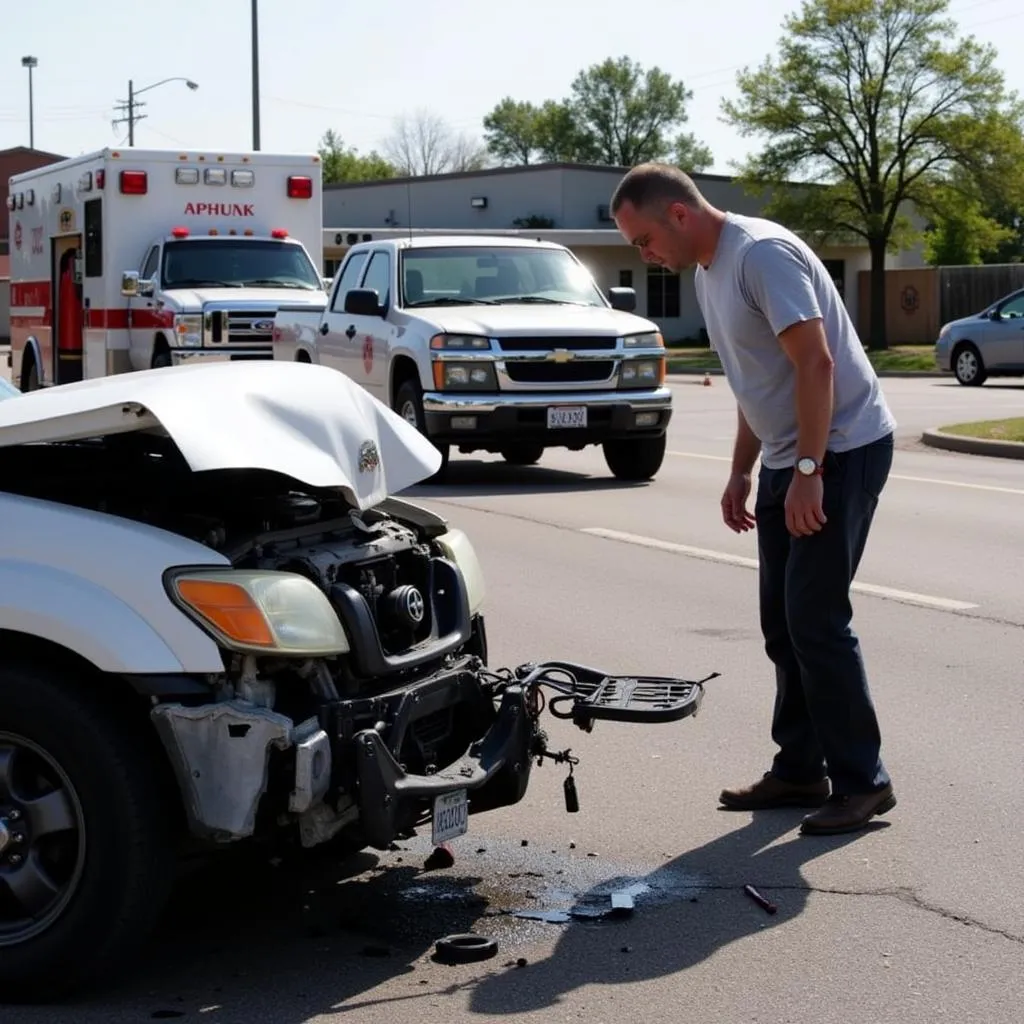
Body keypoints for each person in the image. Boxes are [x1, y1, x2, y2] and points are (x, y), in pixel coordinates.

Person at [609, 163, 898, 836]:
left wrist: (807, 468)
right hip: (788, 456)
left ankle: (865, 782)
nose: (644, 255)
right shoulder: (711, 272)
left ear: (678, 214)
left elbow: (816, 364)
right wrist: (742, 471)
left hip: (842, 448)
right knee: (781, 622)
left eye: (644, 239)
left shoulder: (759, 255)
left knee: (816, 619)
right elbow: (755, 381)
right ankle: (801, 769)